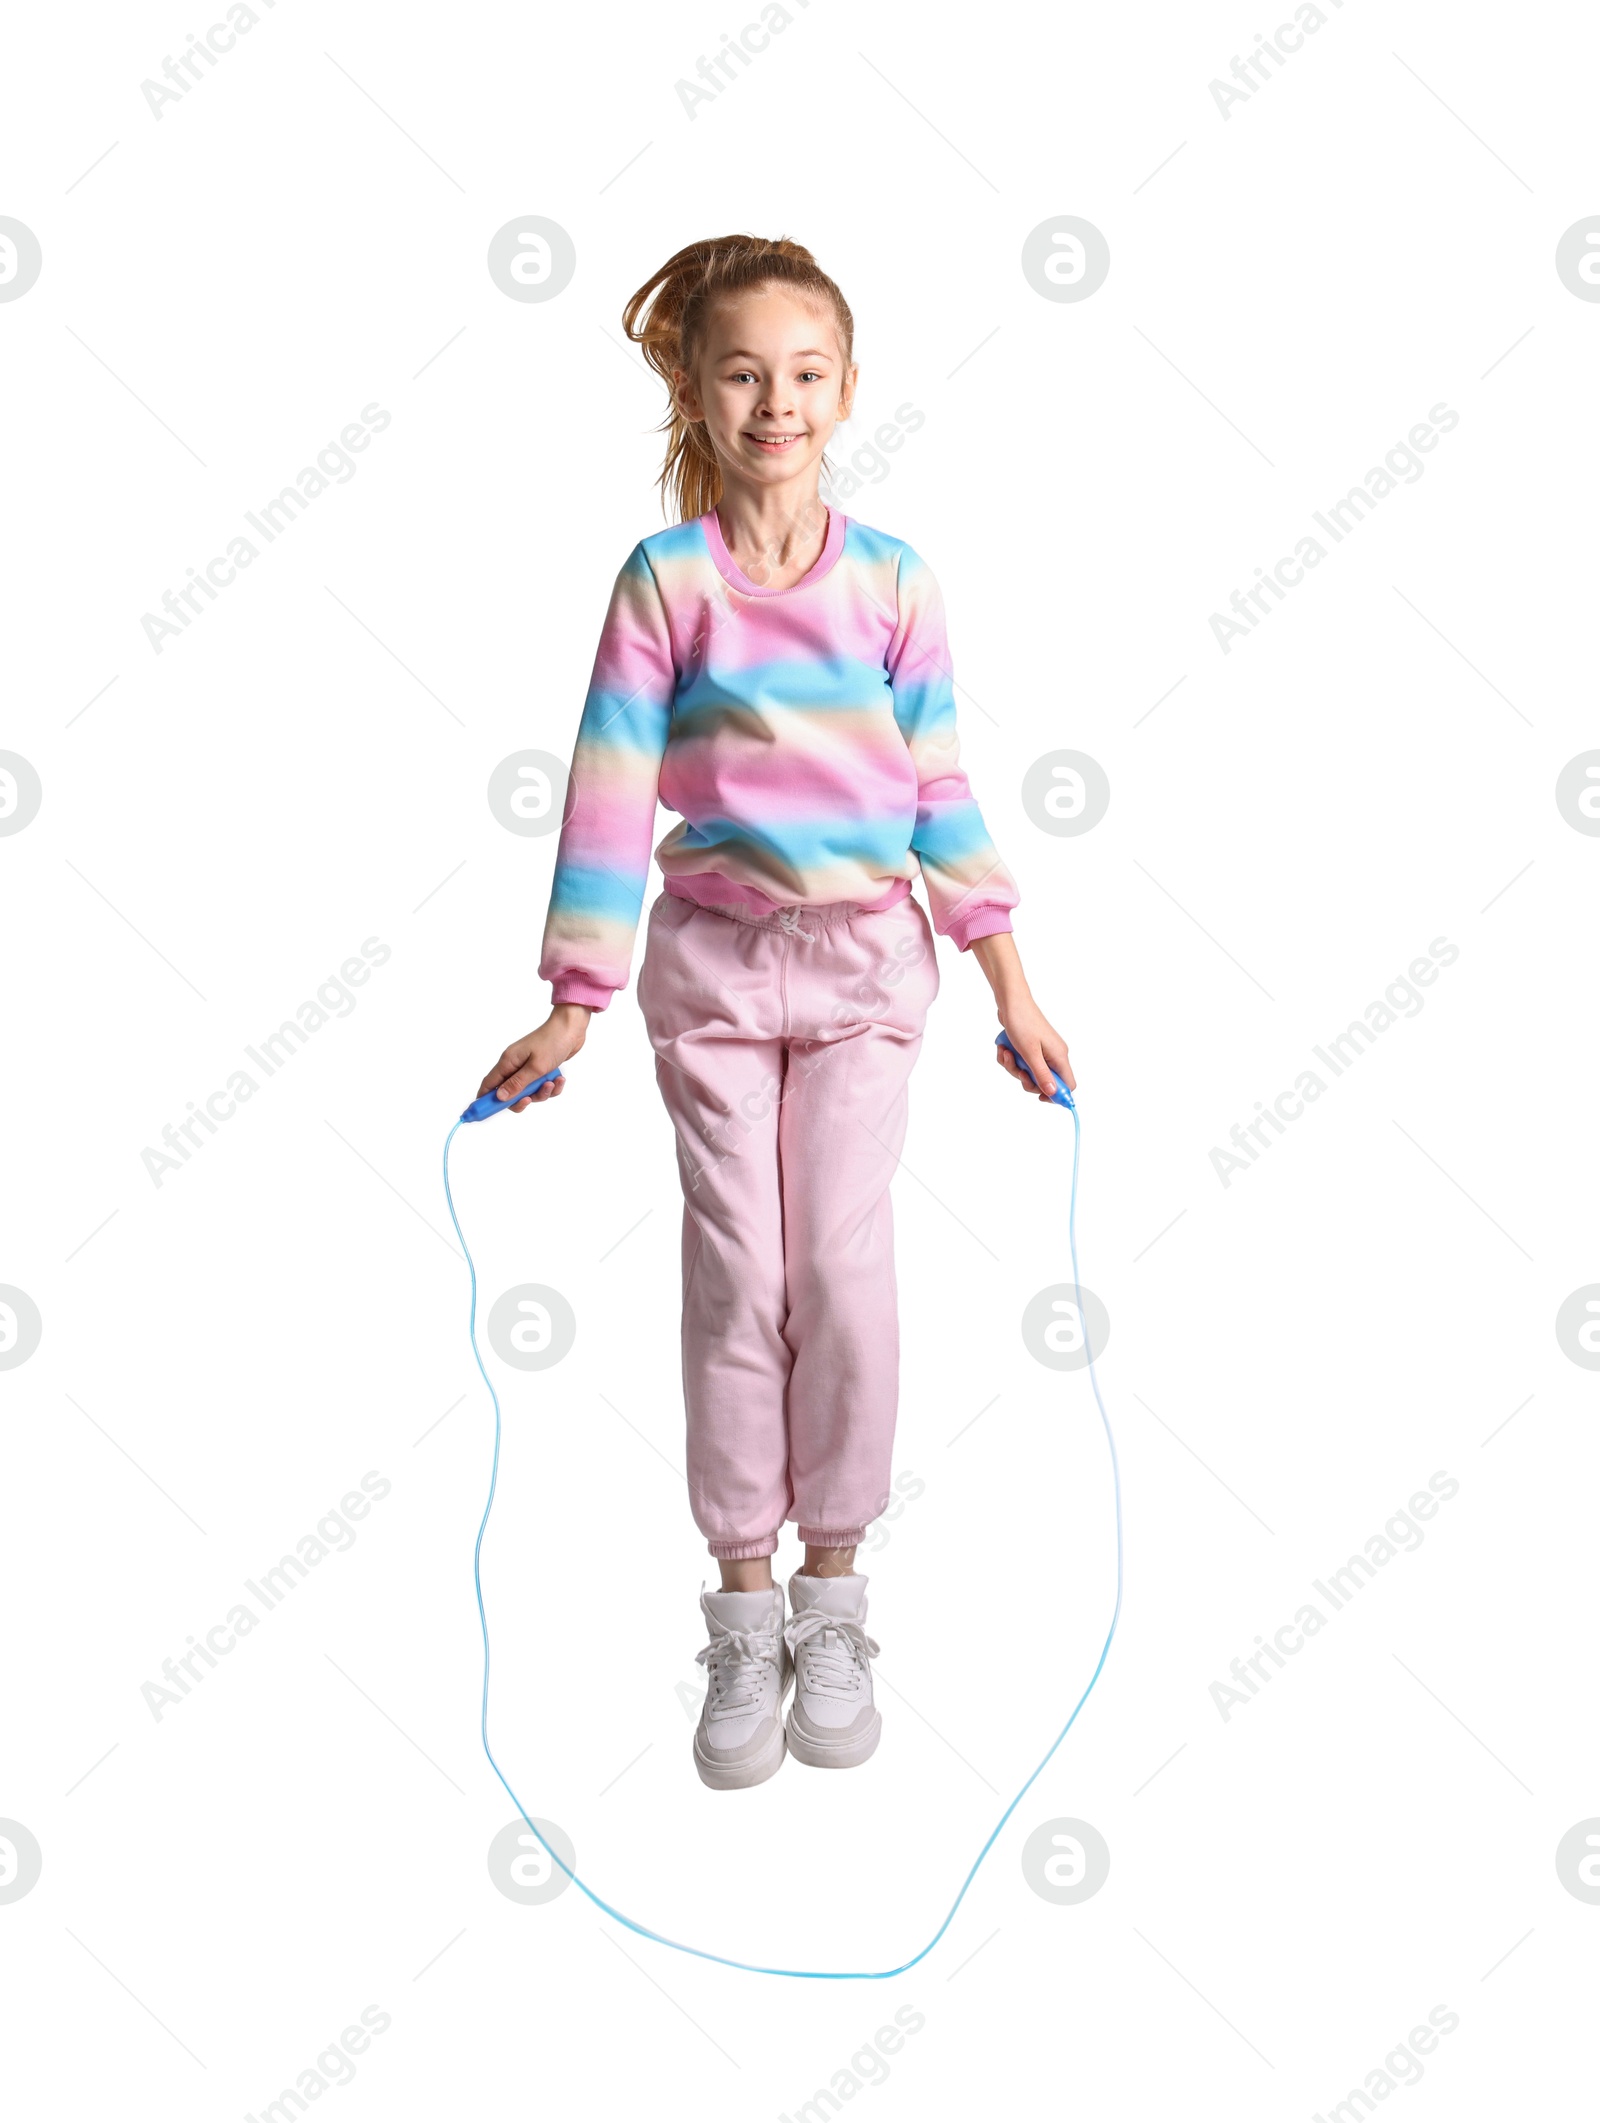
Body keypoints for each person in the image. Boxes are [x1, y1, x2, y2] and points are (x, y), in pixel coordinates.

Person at [479, 233, 1073, 1790]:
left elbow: (938, 782)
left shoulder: (893, 580)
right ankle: (742, 1606)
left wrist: (1010, 976)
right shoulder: (664, 581)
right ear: (694, 382)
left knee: (841, 1266)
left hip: (874, 966)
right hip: (718, 976)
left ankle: (836, 1588)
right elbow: (608, 790)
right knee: (742, 1272)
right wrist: (572, 1001)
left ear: (848, 390)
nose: (775, 400)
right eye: (741, 370)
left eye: (805, 373)